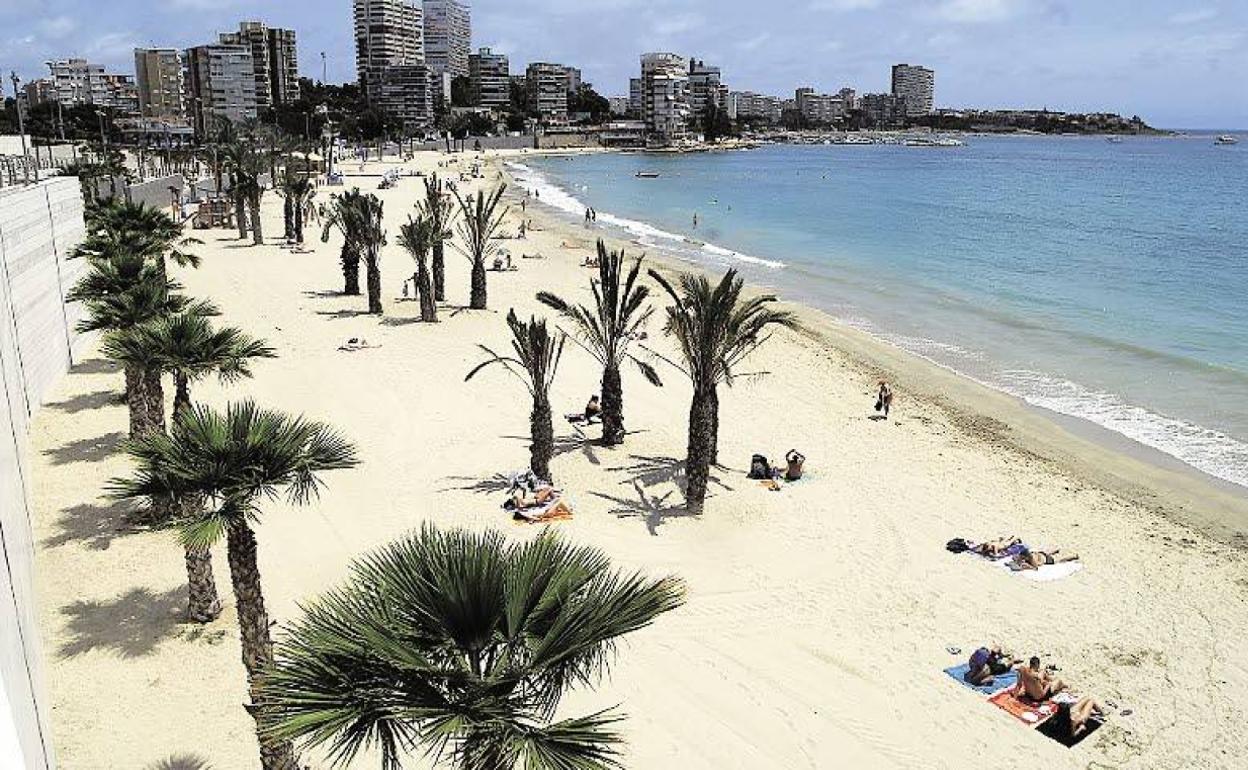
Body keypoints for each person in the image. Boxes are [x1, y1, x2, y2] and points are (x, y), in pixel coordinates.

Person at [1011, 548, 1079, 570]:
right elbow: (1014, 557)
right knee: (1047, 553)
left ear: (1026, 557)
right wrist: (1018, 560)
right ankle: (1055, 550)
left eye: (1022, 557)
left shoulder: (1032, 559)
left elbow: (1036, 567)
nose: (1021, 558)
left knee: (1059, 560)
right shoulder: (1026, 555)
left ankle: (1074, 556)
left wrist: (1028, 566)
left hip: (1047, 559)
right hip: (1041, 554)